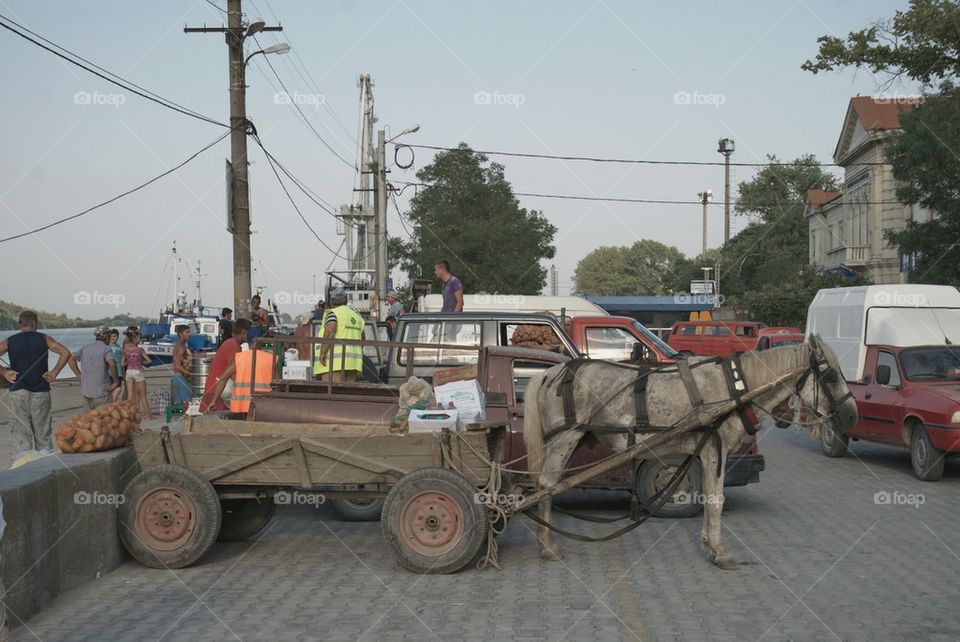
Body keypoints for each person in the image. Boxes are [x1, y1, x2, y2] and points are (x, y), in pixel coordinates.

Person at [0, 311, 79, 456]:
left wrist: (5, 373)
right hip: (41, 391)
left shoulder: (10, 340)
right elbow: (65, 353)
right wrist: (54, 373)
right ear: (34, 323)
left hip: (18, 391)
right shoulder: (44, 338)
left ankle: (23, 466)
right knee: (42, 432)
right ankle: (44, 464)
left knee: (21, 432)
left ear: (20, 324)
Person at [206, 343, 277, 416]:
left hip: (240, 407)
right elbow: (278, 383)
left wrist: (214, 401)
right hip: (263, 406)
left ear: (248, 343)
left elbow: (223, 378)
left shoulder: (240, 357)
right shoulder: (270, 358)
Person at [199, 318, 251, 413]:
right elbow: (231, 372)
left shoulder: (232, 344)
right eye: (249, 333)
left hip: (217, 392)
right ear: (243, 332)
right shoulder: (233, 345)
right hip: (217, 394)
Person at [314, 287, 364, 382]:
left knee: (333, 393)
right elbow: (362, 337)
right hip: (353, 364)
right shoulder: (356, 316)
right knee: (347, 394)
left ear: (332, 301)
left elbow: (330, 332)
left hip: (333, 363)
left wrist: (323, 352)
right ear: (346, 301)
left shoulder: (333, 313)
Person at [74, 325, 120, 409]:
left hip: (86, 392)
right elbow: (112, 364)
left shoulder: (85, 347)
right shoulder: (106, 349)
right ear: (107, 337)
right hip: (102, 392)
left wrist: (78, 374)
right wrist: (116, 382)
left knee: (89, 420)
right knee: (104, 420)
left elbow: (71, 357)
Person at [121, 328, 154, 420]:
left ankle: (128, 415)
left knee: (130, 396)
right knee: (143, 395)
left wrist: (129, 361)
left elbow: (122, 364)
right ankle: (149, 415)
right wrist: (142, 363)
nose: (140, 340)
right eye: (139, 338)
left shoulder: (126, 350)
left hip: (129, 372)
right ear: (135, 339)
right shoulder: (140, 350)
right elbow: (149, 361)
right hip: (138, 371)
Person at [171, 324, 193, 404]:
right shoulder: (180, 347)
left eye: (190, 332)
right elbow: (177, 366)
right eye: (187, 332)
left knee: (180, 406)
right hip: (180, 377)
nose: (189, 334)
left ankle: (174, 414)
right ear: (180, 334)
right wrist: (189, 373)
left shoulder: (182, 346)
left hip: (180, 377)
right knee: (187, 403)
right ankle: (185, 416)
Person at [107, 329, 124, 402]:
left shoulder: (119, 347)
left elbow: (122, 359)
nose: (112, 338)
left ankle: (112, 403)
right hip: (110, 372)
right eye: (111, 336)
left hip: (119, 372)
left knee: (118, 388)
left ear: (118, 337)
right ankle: (111, 403)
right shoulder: (107, 346)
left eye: (114, 336)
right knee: (113, 388)